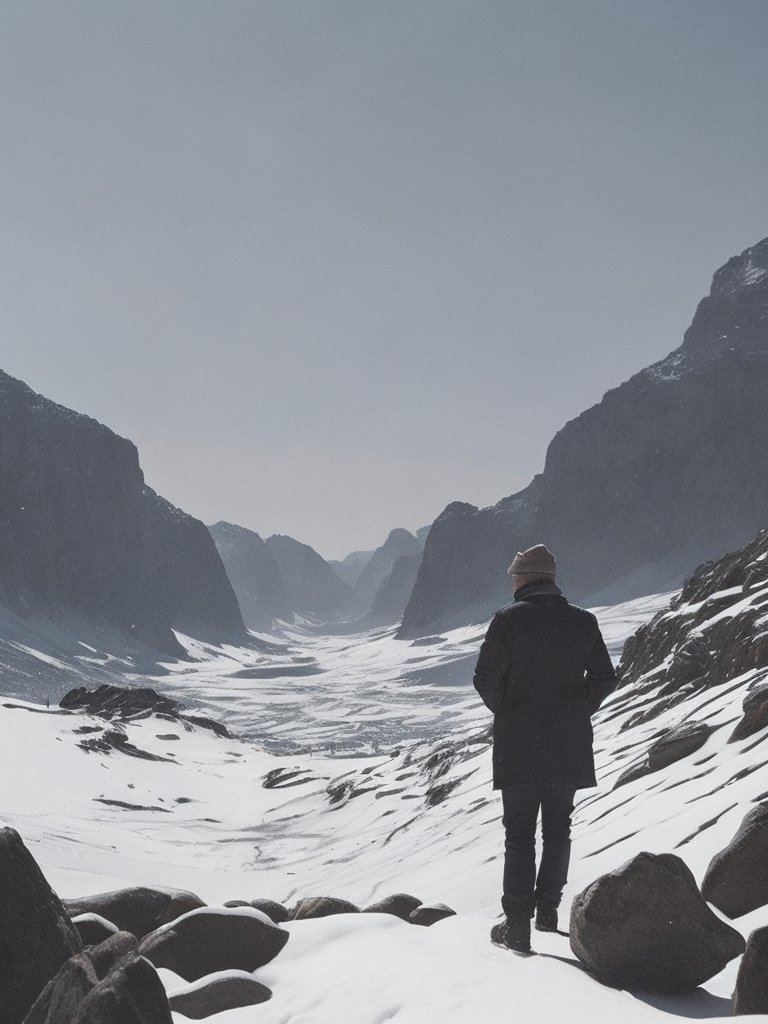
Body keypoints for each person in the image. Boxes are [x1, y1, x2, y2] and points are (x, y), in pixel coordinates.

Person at [473, 543, 616, 954]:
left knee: (518, 835)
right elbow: (605, 678)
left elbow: (485, 678)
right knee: (559, 830)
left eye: (514, 575)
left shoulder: (508, 620)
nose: (511, 581)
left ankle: (517, 924)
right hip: (568, 744)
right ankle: (548, 912)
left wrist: (512, 711)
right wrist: (573, 710)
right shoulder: (583, 621)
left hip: (519, 746)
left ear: (526, 578)